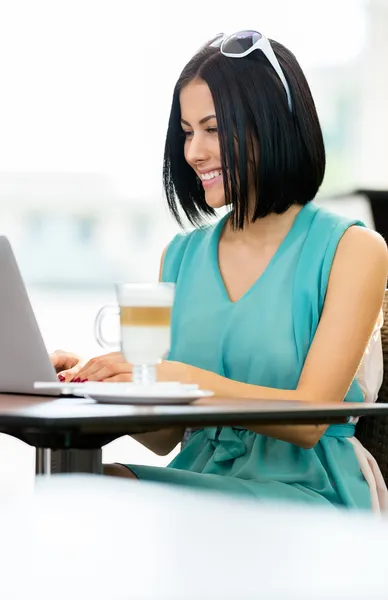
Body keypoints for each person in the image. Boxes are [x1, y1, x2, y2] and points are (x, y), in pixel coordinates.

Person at [51, 31, 388, 509]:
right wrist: (100, 385)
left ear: (272, 123)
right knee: (76, 487)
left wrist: (175, 376)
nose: (193, 153)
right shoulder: (180, 256)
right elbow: (167, 436)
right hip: (202, 474)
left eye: (213, 129)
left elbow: (309, 421)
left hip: (309, 489)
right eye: (187, 132)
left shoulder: (353, 249)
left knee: (95, 499)